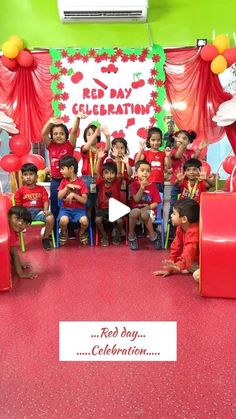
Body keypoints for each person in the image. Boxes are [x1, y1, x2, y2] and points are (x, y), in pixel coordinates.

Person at [41, 113, 86, 237]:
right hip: (55, 181)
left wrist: (77, 118)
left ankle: (70, 230)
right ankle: (55, 232)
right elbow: (43, 133)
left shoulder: (69, 145)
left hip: (69, 181)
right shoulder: (50, 145)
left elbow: (75, 132)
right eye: (55, 134)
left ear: (66, 135)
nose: (58, 136)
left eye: (61, 133)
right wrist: (50, 122)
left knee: (71, 205)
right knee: (55, 207)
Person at [168, 130, 207, 239]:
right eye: (179, 138)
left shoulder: (190, 151)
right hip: (177, 182)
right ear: (175, 140)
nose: (181, 140)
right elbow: (178, 155)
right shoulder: (174, 150)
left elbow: (194, 160)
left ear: (189, 141)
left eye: (185, 138)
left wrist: (199, 149)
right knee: (174, 205)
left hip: (189, 182)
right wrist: (183, 144)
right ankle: (172, 225)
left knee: (188, 205)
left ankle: (190, 226)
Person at [153, 199, 199, 278]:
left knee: (196, 275)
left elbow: (189, 251)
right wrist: (170, 268)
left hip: (202, 263)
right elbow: (176, 247)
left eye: (174, 213)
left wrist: (178, 266)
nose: (171, 215)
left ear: (184, 219)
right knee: (187, 265)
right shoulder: (180, 228)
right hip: (191, 262)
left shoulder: (194, 231)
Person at [14, 163, 54, 250]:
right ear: (22, 177)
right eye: (25, 175)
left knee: (50, 218)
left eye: (31, 174)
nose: (28, 177)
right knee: (15, 222)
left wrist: (46, 210)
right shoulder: (20, 191)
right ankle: (14, 241)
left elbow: (45, 201)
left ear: (36, 176)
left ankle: (45, 238)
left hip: (39, 212)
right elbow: (18, 205)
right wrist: (21, 215)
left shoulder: (41, 189)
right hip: (26, 213)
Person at [128, 160, 162, 251]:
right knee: (134, 212)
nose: (145, 173)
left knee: (144, 214)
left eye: (147, 171)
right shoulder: (133, 185)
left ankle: (153, 236)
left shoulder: (153, 186)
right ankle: (131, 236)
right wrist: (142, 187)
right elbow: (136, 199)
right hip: (136, 211)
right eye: (142, 170)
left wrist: (145, 209)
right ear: (136, 172)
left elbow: (155, 203)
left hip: (148, 211)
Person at [58, 155, 89, 246]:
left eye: (62, 168)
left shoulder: (81, 182)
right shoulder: (63, 182)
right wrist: (67, 187)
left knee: (84, 221)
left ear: (71, 168)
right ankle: (63, 232)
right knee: (63, 221)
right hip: (65, 210)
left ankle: (82, 232)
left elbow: (84, 201)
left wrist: (74, 194)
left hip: (79, 210)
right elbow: (59, 197)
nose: (60, 171)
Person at [80, 123, 110, 215]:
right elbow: (86, 147)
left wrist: (108, 136)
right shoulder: (84, 149)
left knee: (98, 204)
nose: (92, 136)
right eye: (89, 134)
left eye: (94, 135)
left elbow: (107, 148)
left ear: (98, 137)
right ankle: (87, 226)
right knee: (87, 205)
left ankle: (97, 225)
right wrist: (95, 133)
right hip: (86, 179)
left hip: (99, 180)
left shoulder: (100, 151)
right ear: (85, 138)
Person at [94, 154, 124, 246]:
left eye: (112, 173)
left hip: (115, 209)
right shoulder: (100, 182)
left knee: (120, 221)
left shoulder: (117, 182)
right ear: (102, 174)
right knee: (97, 220)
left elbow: (119, 173)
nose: (109, 175)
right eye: (106, 173)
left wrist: (117, 159)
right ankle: (104, 236)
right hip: (102, 209)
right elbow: (96, 173)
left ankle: (118, 234)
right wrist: (99, 158)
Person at [135, 127, 171, 193]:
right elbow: (137, 163)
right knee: (148, 202)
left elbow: (169, 166)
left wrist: (168, 156)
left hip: (159, 183)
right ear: (149, 140)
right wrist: (141, 150)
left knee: (159, 202)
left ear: (161, 140)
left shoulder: (163, 153)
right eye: (153, 140)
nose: (156, 142)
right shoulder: (145, 153)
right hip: (147, 182)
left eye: (158, 140)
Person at [8, 205, 37, 279]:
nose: (20, 223)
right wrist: (21, 274)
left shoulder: (11, 229)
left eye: (24, 222)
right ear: (8, 216)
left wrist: (18, 264)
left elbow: (9, 251)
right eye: (17, 218)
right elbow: (13, 252)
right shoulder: (8, 232)